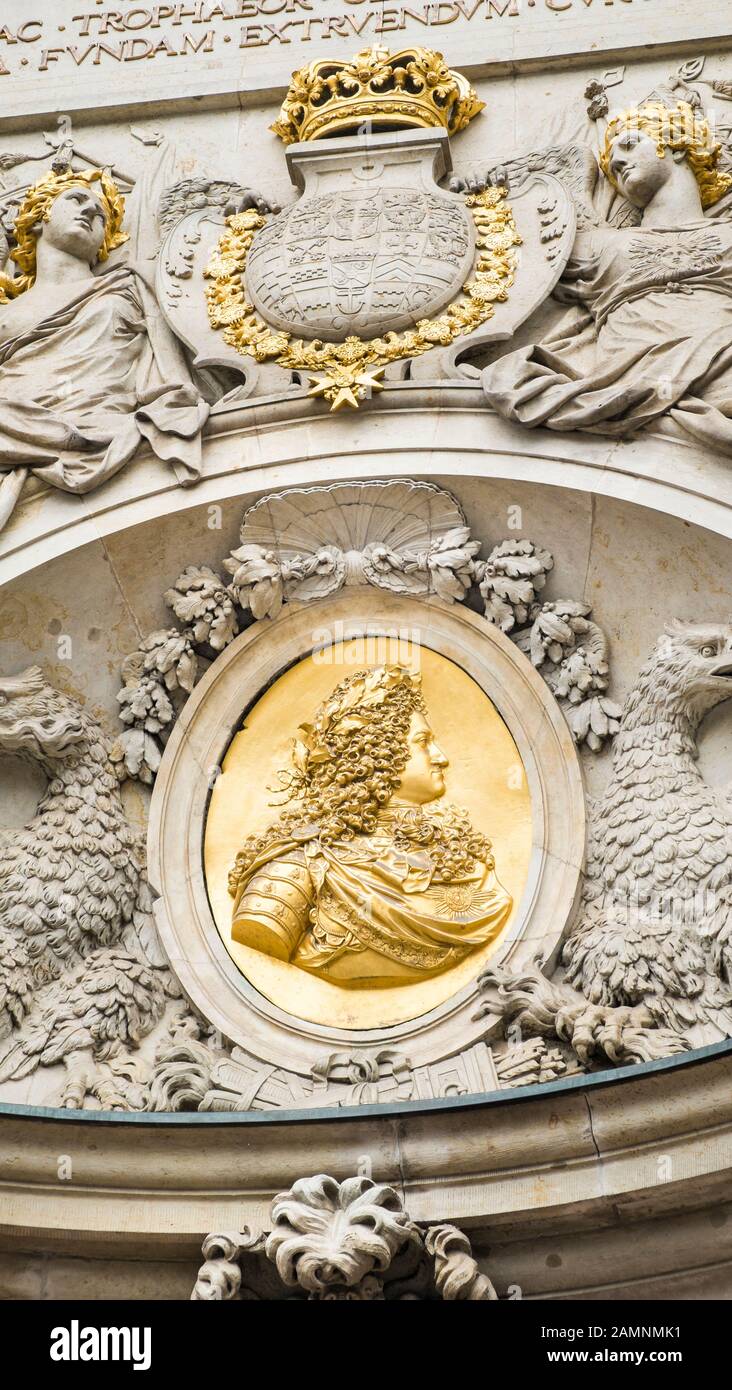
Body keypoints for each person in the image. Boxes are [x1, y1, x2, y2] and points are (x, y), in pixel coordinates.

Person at [228, 664, 512, 987]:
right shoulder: (295, 869)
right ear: (377, 753)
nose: (440, 756)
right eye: (423, 742)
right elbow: (260, 932)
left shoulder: (464, 865)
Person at [481, 101, 732, 456]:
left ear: (676, 143)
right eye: (612, 160)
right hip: (623, 374)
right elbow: (508, 245)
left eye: (630, 144)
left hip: (721, 362)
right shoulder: (600, 244)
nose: (617, 161)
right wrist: (485, 194)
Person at [0, 166, 209, 529]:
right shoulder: (7, 311)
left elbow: (179, 361)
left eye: (101, 216)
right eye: (76, 200)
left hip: (104, 418)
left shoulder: (130, 285)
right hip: (11, 422)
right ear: (36, 221)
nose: (90, 212)